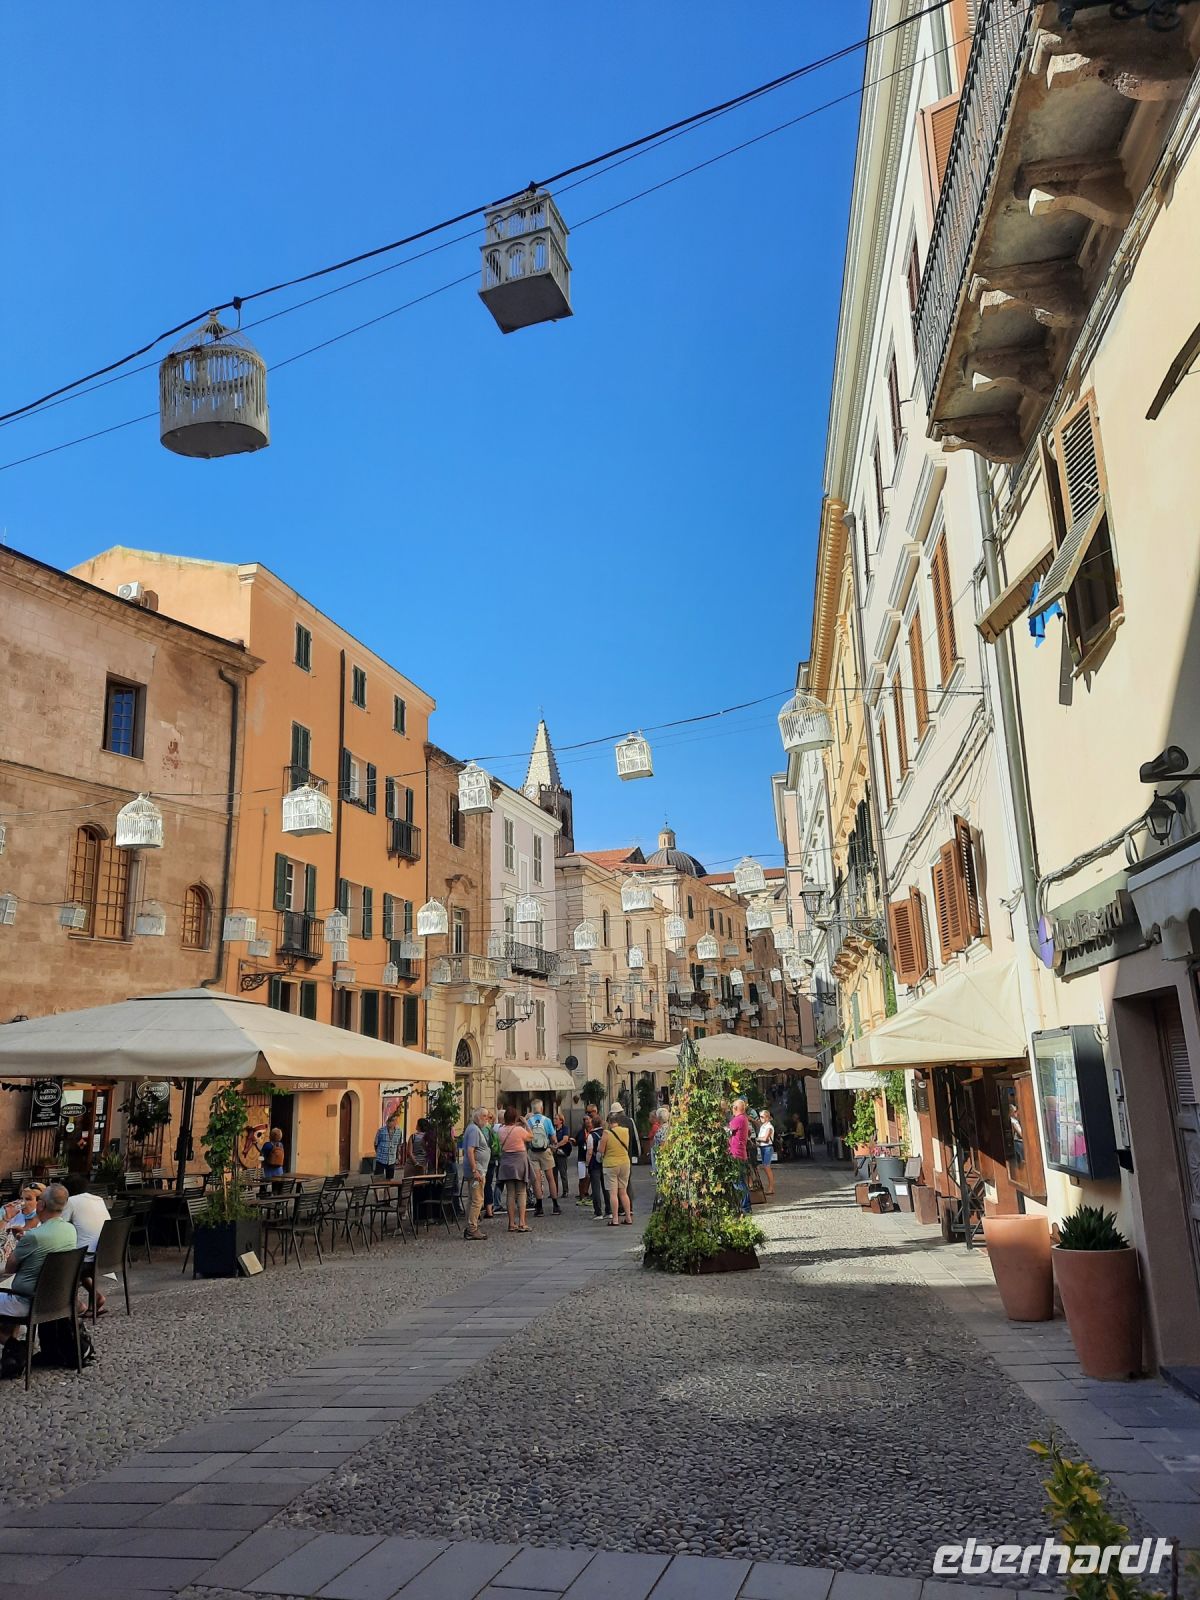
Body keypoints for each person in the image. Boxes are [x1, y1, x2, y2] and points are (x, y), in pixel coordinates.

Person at [0, 1183, 77, 1379]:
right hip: (55, 1301)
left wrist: (24, 1241)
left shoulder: (34, 1237)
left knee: (7, 1291)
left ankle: (16, 1349)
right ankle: (13, 1357)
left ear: (41, 1205)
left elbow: (9, 1268)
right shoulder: (70, 1230)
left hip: (27, 1301)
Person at [63, 1174, 112, 1314]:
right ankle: (96, 1297)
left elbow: (61, 1225)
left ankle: (75, 1305)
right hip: (105, 1255)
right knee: (79, 1255)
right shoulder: (98, 1199)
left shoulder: (71, 1201)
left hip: (87, 1258)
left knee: (62, 1264)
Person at [497, 1107, 534, 1233]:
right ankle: (522, 1223)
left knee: (510, 1193)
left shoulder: (500, 1130)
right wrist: (525, 1123)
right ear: (515, 1118)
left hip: (506, 1161)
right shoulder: (519, 1130)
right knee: (521, 1192)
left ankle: (511, 1223)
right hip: (519, 1161)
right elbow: (530, 1137)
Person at [525, 1100, 561, 1216]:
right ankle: (555, 1205)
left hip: (533, 1152)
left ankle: (539, 1207)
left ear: (532, 1109)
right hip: (545, 1151)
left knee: (537, 1179)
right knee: (550, 1178)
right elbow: (554, 1139)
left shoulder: (529, 1121)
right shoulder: (547, 1120)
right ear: (542, 1108)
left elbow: (526, 1137)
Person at [461, 1107, 491, 1242]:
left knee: (472, 1200)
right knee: (478, 1200)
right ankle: (472, 1229)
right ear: (478, 1117)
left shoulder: (473, 1128)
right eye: (484, 1116)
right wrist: (475, 1170)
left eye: (488, 1116)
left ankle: (470, 1227)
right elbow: (470, 1150)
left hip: (477, 1169)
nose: (487, 1119)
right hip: (476, 1171)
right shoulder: (474, 1130)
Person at [599, 1109, 634, 1226]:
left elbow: (601, 1150)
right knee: (623, 1192)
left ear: (609, 1122)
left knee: (613, 1193)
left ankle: (615, 1219)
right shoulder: (626, 1131)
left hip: (611, 1164)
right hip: (625, 1163)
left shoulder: (606, 1133)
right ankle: (628, 1217)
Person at [728, 1098, 752, 1214]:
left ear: (736, 1108)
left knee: (738, 1182)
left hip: (736, 1154)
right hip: (741, 1153)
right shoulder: (744, 1119)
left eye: (732, 1107)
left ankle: (745, 1207)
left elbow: (727, 1130)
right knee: (740, 1181)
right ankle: (745, 1207)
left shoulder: (738, 1119)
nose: (731, 1109)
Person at [552, 1109, 573, 1200]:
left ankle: (565, 1191)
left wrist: (557, 1145)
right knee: (554, 1173)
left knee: (563, 1172)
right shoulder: (553, 1129)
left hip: (562, 1153)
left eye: (556, 1119)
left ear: (561, 1120)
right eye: (554, 1118)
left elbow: (565, 1140)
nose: (554, 1120)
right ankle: (554, 1191)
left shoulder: (565, 1129)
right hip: (554, 1153)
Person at [374, 1113, 403, 1179]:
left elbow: (398, 1144)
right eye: (390, 1121)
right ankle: (377, 1189)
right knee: (378, 1178)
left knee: (389, 1178)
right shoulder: (381, 1130)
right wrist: (378, 1152)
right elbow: (375, 1143)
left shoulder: (399, 1131)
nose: (391, 1122)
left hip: (391, 1159)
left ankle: (387, 1189)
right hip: (381, 1158)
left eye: (394, 1120)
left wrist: (398, 1156)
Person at [756, 1107, 776, 1198]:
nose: (761, 1118)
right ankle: (770, 1187)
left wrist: (757, 1139)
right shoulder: (763, 1126)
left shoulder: (769, 1127)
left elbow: (765, 1139)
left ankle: (771, 1187)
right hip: (763, 1147)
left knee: (767, 1167)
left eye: (763, 1117)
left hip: (767, 1147)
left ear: (767, 1117)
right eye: (760, 1117)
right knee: (765, 1167)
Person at [576, 1114, 593, 1206]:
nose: (586, 1121)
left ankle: (588, 1194)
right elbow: (576, 1141)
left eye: (588, 1119)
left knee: (590, 1177)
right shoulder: (581, 1132)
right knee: (582, 1178)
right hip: (582, 1157)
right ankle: (582, 1196)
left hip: (591, 1158)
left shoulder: (594, 1131)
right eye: (584, 1119)